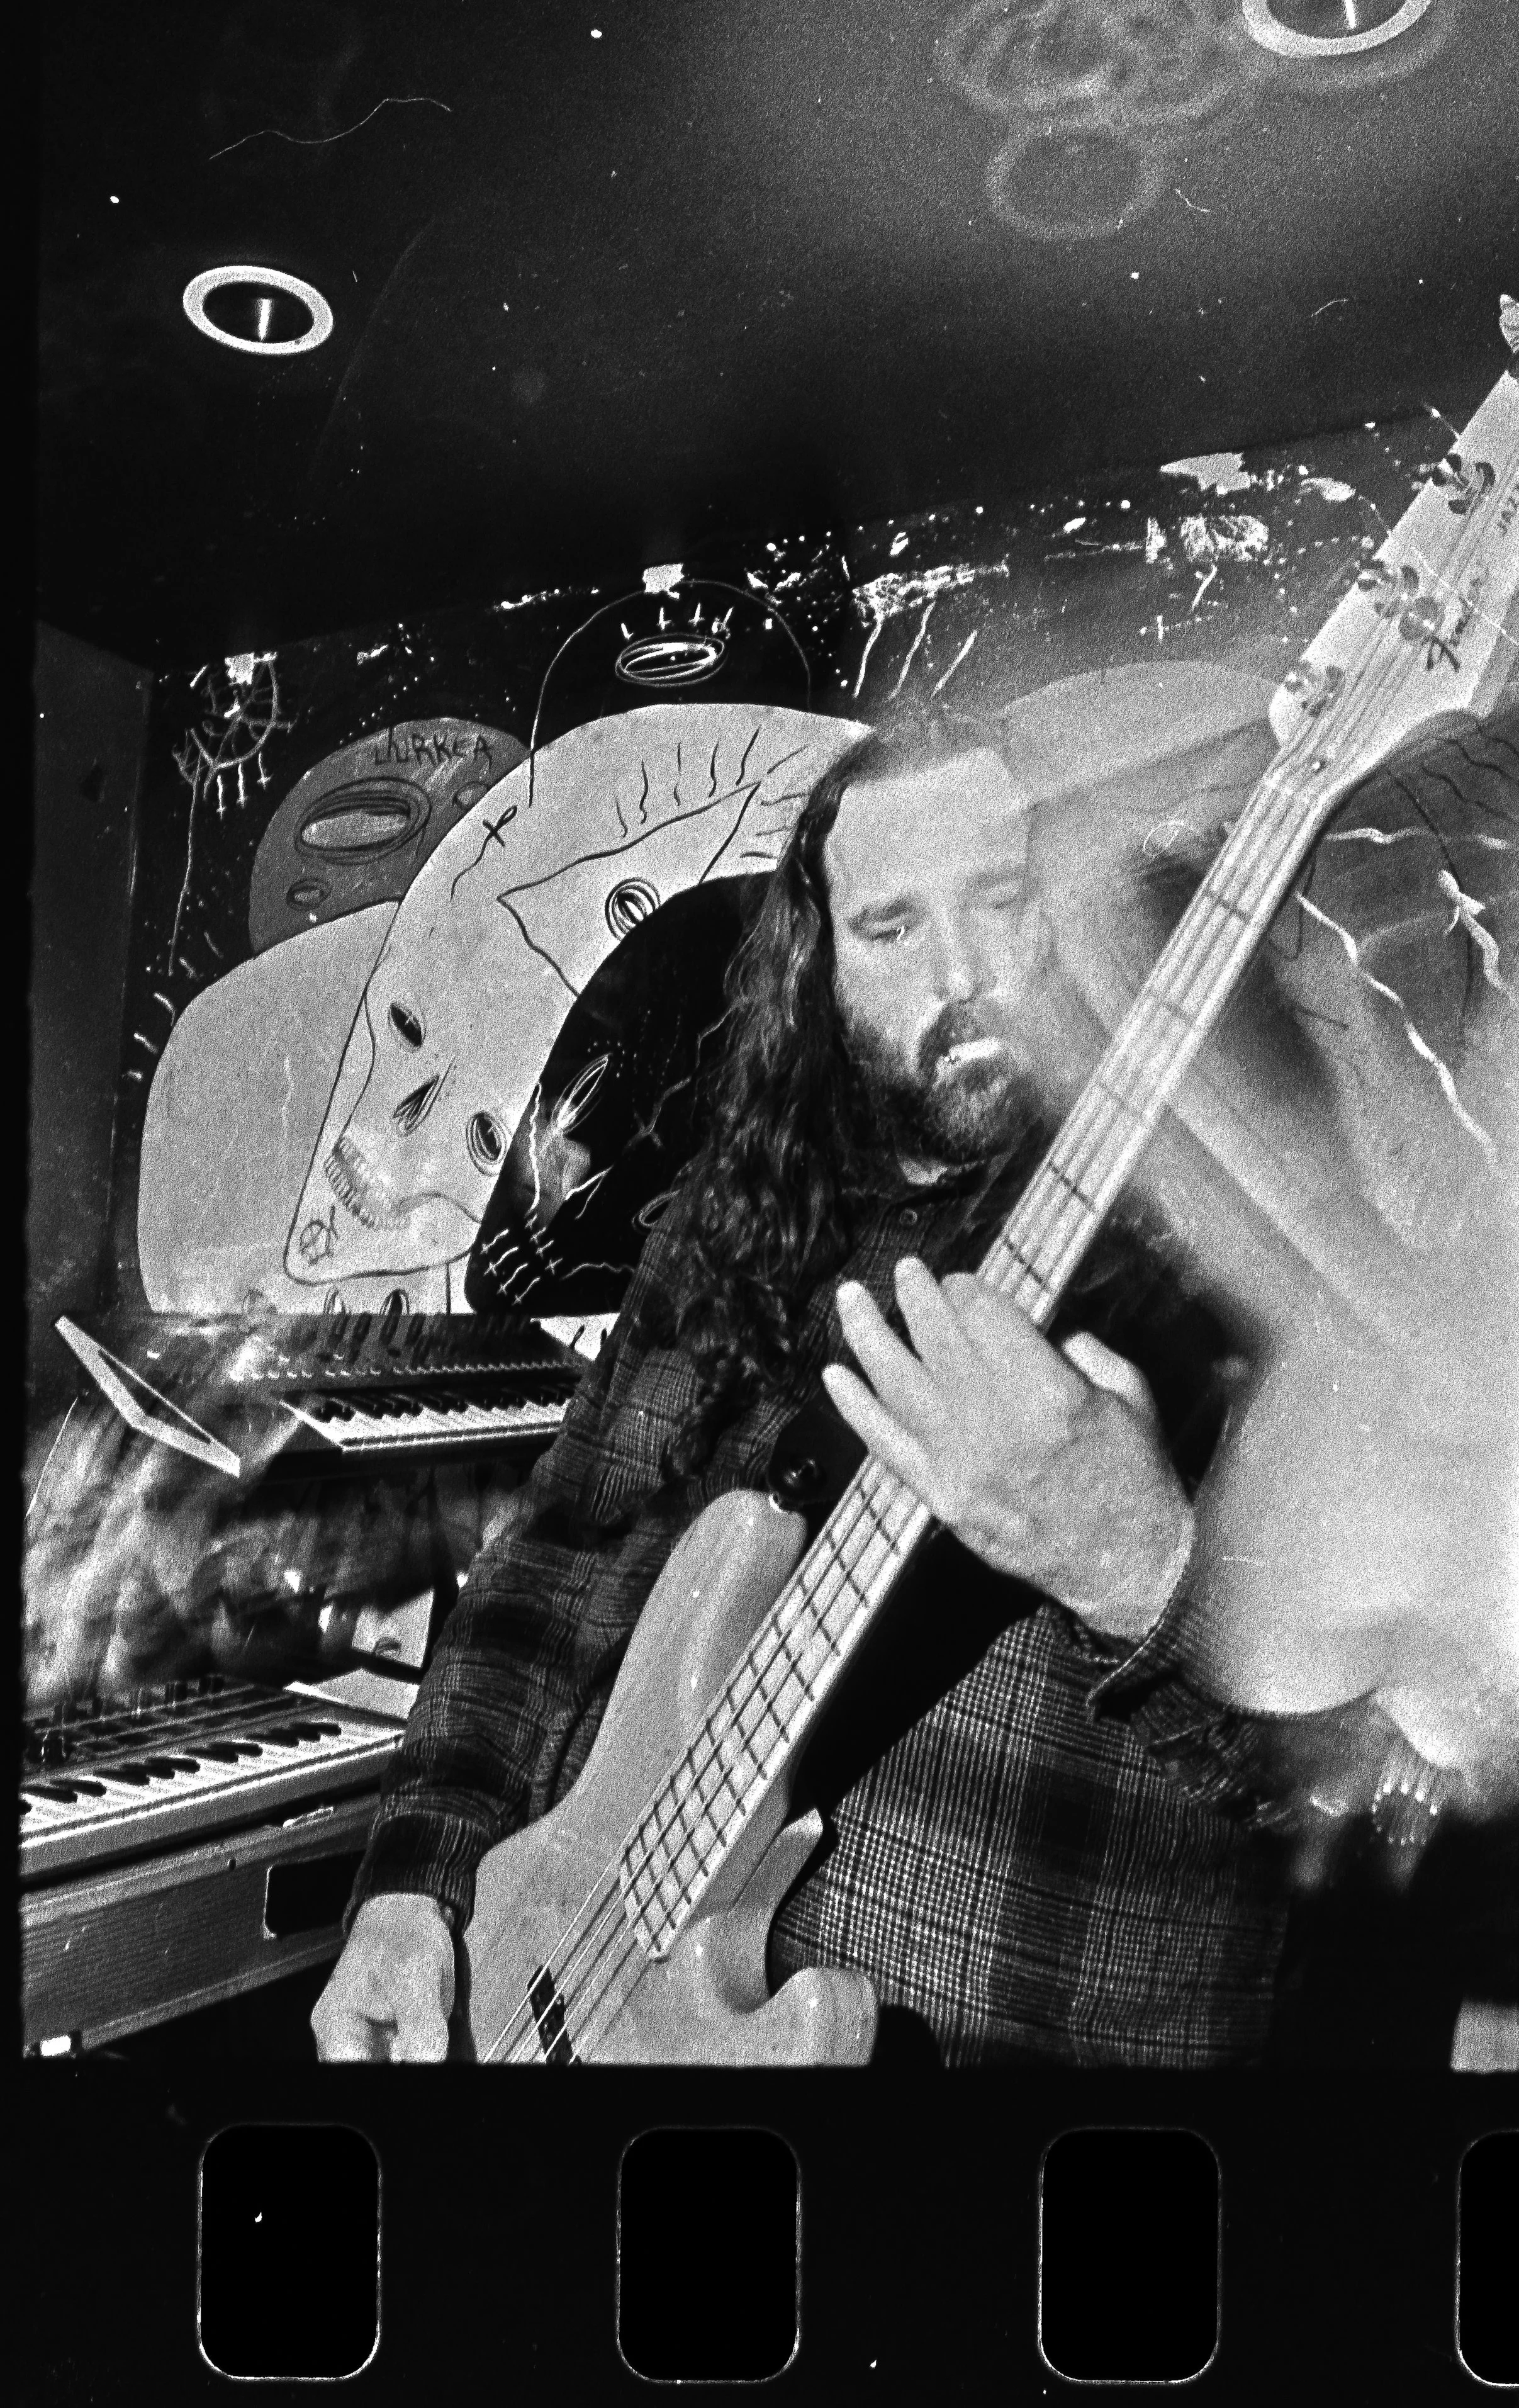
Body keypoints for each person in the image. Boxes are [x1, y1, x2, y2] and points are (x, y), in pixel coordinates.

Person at [310, 709, 1408, 2067]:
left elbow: (1399, 1795)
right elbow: (551, 1570)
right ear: (819, 961)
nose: (963, 972)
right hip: (580, 1995)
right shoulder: (733, 1218)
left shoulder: (1264, 1238)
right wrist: (418, 1883)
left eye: (1000, 899)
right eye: (890, 928)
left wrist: (1149, 1576)